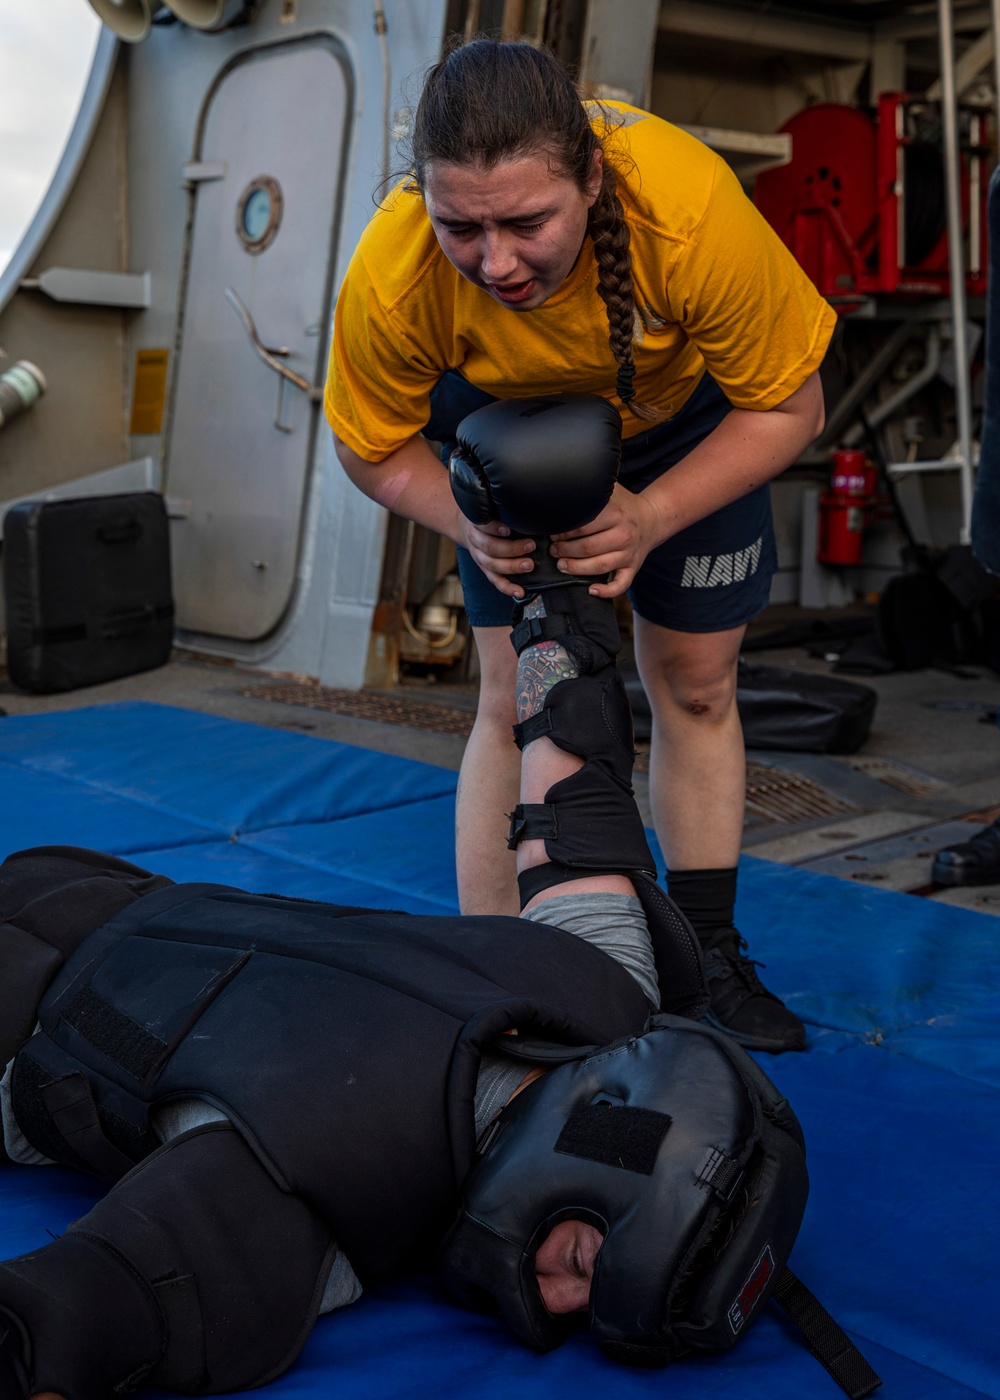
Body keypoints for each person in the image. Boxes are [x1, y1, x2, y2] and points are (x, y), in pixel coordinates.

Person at [0, 520, 880, 1400]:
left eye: (582, 1303)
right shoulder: (341, 1188)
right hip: (87, 910)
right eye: (580, 1258)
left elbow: (67, 1316)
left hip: (56, 935)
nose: (554, 1303)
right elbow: (573, 753)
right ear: (598, 1133)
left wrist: (550, 591)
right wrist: (552, 549)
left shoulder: (603, 996)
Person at [326, 37, 835, 1054]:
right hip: (505, 431)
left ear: (590, 178)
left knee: (693, 681)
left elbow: (789, 405)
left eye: (526, 222)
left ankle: (704, 949)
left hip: (681, 426)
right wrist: (463, 518)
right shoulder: (396, 273)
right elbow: (369, 445)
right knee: (514, 693)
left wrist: (650, 514)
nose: (496, 260)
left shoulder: (683, 213)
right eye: (460, 226)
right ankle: (497, 969)